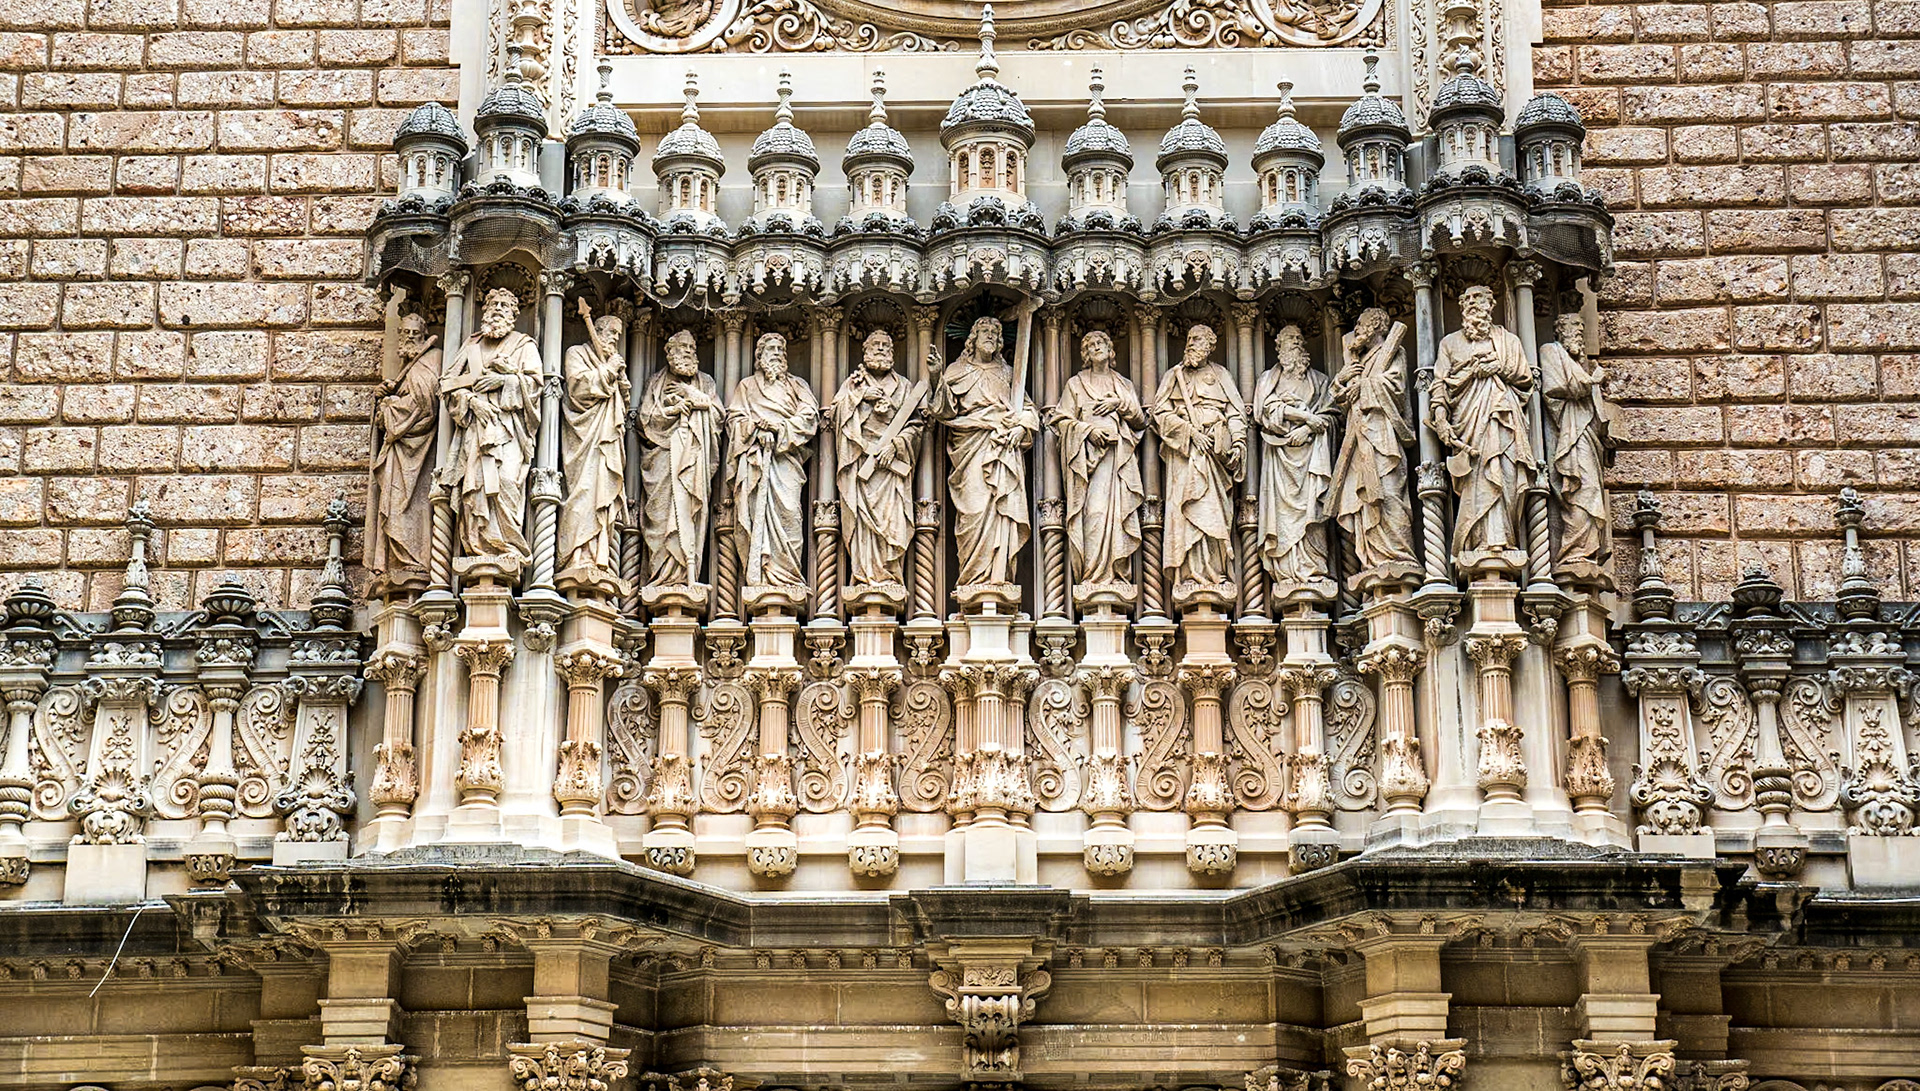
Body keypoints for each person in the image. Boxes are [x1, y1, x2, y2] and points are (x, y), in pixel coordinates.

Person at [1430, 285, 1538, 569]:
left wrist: (1498, 368)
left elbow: (1525, 378)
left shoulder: (1508, 342)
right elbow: (1439, 385)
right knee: (1476, 480)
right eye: (1470, 302)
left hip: (1504, 420)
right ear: (1463, 308)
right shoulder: (1450, 344)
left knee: (1505, 476)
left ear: (1492, 306)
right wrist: (1441, 420)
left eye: (1482, 302)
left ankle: (1502, 539)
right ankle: (1478, 541)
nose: (1476, 308)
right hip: (1469, 423)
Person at [439, 286, 542, 573]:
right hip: (477, 429)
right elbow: (447, 386)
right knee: (476, 489)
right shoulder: (471, 348)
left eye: (505, 305)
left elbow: (535, 387)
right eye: (493, 303)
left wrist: (504, 382)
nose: (498, 309)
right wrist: (471, 401)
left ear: (514, 314)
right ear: (484, 310)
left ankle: (507, 546)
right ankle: (479, 546)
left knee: (507, 481)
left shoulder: (523, 346)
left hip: (509, 430)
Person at [929, 315, 1038, 588]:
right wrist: (935, 376)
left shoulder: (1009, 373)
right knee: (975, 511)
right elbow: (944, 411)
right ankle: (974, 578)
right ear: (972, 338)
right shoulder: (957, 370)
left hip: (1003, 450)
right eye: (984, 331)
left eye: (995, 332)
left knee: (1003, 512)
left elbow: (1028, 411)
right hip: (971, 449)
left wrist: (1020, 429)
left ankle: (999, 576)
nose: (990, 335)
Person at [1328, 307, 1421, 587]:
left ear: (1377, 325)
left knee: (1389, 491)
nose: (1357, 328)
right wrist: (1343, 379)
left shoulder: (1391, 352)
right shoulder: (1356, 362)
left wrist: (1364, 387)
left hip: (1383, 435)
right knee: (1364, 502)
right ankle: (1372, 559)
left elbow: (1396, 388)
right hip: (1358, 439)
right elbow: (1339, 402)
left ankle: (1398, 554)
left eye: (1361, 323)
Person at [1150, 324, 1247, 591]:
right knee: (1189, 511)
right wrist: (1190, 433)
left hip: (1217, 455)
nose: (1191, 343)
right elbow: (1159, 414)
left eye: (1198, 339)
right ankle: (1191, 573)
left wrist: (1237, 443)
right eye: (1189, 339)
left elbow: (1237, 413)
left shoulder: (1220, 375)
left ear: (1210, 345)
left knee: (1216, 514)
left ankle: (1216, 572)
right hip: (1186, 455)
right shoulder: (1175, 375)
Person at [1051, 330, 1146, 588]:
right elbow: (1059, 421)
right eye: (1090, 345)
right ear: (1085, 354)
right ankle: (1093, 575)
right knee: (1094, 515)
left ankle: (1116, 575)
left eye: (1101, 342)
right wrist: (1088, 431)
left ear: (1110, 348)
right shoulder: (1076, 383)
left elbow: (1140, 420)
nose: (1096, 347)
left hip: (1117, 461)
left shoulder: (1123, 385)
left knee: (1116, 518)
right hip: (1089, 465)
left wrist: (1119, 404)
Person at [726, 332, 818, 593]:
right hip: (756, 463)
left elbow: (810, 416)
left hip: (786, 460)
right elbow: (734, 420)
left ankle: (786, 575)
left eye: (781, 349)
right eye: (771, 349)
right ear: (759, 356)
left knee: (789, 512)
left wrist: (780, 428)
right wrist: (756, 429)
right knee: (756, 516)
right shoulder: (747, 387)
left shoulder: (796, 386)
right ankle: (763, 576)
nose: (777, 353)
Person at [834, 330, 924, 590]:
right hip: (861, 466)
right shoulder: (854, 385)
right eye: (876, 345)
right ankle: (865, 575)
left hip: (891, 471)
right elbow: (835, 418)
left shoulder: (905, 386)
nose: (882, 349)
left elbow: (916, 425)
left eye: (886, 345)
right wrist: (861, 397)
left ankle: (890, 575)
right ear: (865, 351)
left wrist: (895, 446)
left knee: (892, 524)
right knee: (863, 523)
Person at [1253, 324, 1336, 600]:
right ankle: (1288, 572)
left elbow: (1333, 415)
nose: (1297, 345)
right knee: (1284, 518)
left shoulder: (1320, 381)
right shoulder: (1269, 379)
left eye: (1300, 340)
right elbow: (1263, 412)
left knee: (1313, 513)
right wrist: (1304, 417)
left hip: (1312, 458)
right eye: (1290, 341)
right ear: (1279, 349)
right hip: (1279, 459)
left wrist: (1309, 428)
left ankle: (1313, 570)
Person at [365, 290, 439, 588]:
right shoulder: (409, 367)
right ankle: (400, 566)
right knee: (395, 508)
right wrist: (385, 398)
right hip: (399, 453)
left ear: (424, 335)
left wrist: (387, 407)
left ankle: (415, 562)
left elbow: (423, 405)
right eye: (404, 333)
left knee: (412, 507)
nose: (408, 338)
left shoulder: (431, 361)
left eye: (413, 333)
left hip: (419, 453)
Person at [637, 329, 722, 586]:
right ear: (669, 351)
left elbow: (718, 416)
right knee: (662, 517)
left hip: (693, 459)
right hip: (662, 458)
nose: (688, 352)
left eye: (692, 348)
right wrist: (672, 410)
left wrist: (694, 397)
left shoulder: (705, 382)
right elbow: (644, 419)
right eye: (682, 346)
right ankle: (664, 576)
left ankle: (687, 575)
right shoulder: (656, 382)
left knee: (687, 513)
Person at [1541, 311, 1618, 581]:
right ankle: (1573, 552)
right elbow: (1552, 389)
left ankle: (1584, 551)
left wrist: (1607, 431)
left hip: (1587, 435)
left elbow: (1593, 408)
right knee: (1580, 490)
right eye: (1573, 327)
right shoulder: (1551, 351)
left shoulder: (1581, 363)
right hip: (1568, 435)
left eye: (1581, 328)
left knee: (1591, 489)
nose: (1579, 333)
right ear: (1560, 331)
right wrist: (1591, 382)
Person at [557, 298, 630, 582]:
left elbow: (622, 407)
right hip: (583, 439)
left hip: (607, 439)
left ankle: (601, 557)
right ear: (596, 330)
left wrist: (620, 384)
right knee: (583, 493)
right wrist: (608, 372)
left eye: (618, 335)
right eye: (610, 333)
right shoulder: (578, 353)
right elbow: (576, 389)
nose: (614, 339)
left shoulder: (610, 360)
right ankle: (576, 556)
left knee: (603, 493)